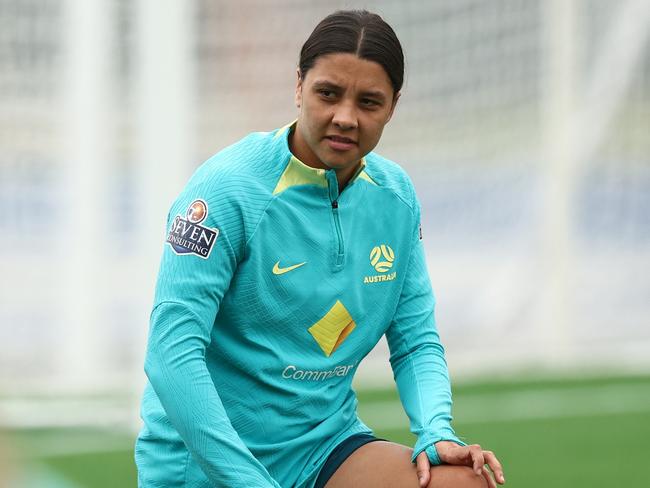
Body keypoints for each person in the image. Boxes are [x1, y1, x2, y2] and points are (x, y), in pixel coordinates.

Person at [135, 9, 505, 488]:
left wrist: (435, 427)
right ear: (298, 87)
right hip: (209, 466)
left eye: (369, 102)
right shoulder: (226, 191)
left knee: (463, 483)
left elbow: (414, 338)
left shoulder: (395, 198)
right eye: (328, 93)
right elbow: (170, 355)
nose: (345, 118)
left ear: (393, 106)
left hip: (323, 448)